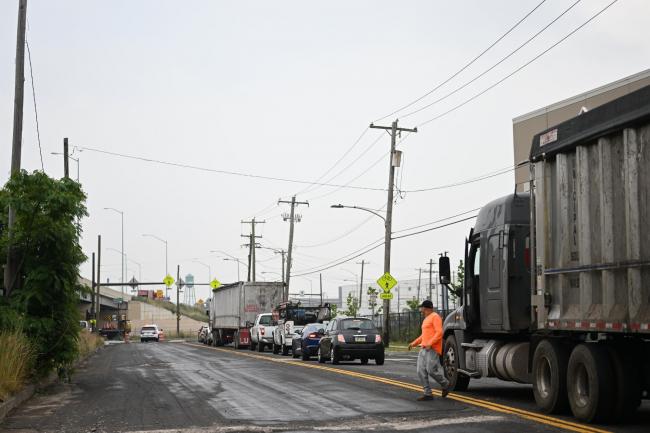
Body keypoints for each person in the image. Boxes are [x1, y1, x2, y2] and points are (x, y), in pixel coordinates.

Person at [408, 300, 450, 400]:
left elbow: (439, 333)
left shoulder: (435, 317)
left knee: (431, 370)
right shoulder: (426, 319)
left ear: (426, 308)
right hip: (423, 349)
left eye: (422, 308)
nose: (421, 310)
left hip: (432, 349)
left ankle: (446, 384)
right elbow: (424, 336)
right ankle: (428, 394)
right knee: (420, 371)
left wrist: (430, 343)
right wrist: (413, 343)